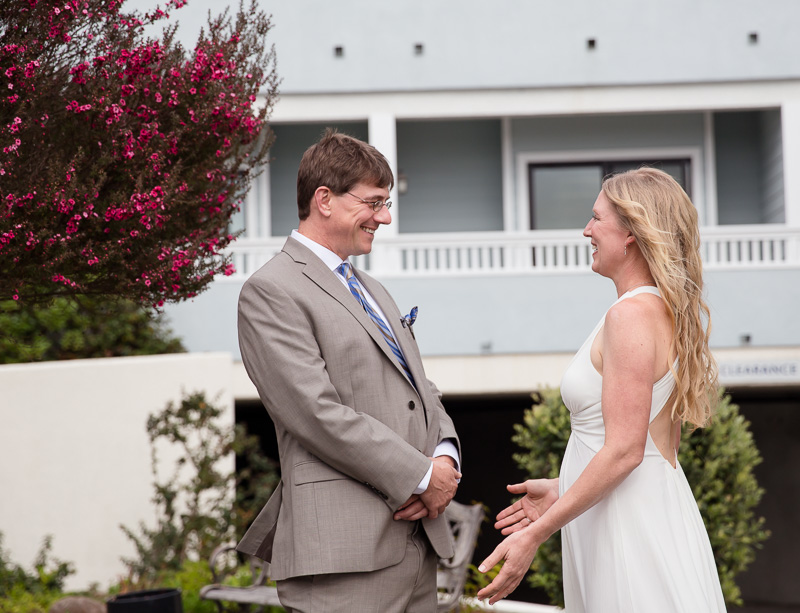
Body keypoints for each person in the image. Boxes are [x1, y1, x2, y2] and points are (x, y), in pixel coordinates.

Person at [476, 167, 727, 612]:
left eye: (596, 218)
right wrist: (566, 485)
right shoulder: (658, 311)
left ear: (631, 232)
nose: (586, 230)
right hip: (642, 507)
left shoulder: (629, 317)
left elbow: (627, 449)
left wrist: (535, 533)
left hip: (628, 524)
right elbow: (653, 445)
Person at [236, 129, 461, 613]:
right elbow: (315, 413)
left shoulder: (374, 289)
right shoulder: (271, 291)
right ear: (324, 200)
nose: (385, 216)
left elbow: (420, 389)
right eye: (374, 202)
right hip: (342, 559)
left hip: (415, 548)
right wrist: (422, 477)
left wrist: (444, 458)